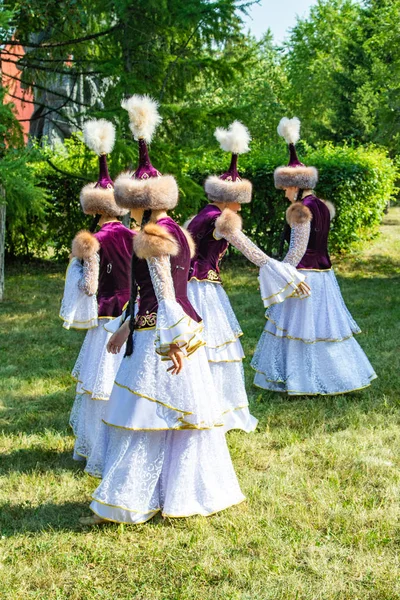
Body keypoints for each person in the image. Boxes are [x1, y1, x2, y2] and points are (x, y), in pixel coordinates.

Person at [80, 95, 245, 525]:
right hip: (172, 329)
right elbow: (153, 291)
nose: (126, 208)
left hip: (162, 336)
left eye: (129, 201)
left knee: (144, 417)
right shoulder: (173, 228)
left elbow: (163, 291)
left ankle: (130, 501)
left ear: (142, 201)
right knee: (178, 418)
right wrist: (122, 326)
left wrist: (170, 342)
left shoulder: (150, 235)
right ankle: (178, 493)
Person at [187, 121, 310, 431]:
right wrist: (285, 275)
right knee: (215, 349)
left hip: (186, 285)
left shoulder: (200, 214)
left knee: (198, 349)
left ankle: (193, 404)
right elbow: (252, 252)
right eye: (239, 202)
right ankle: (215, 408)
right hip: (204, 289)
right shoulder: (223, 220)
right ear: (230, 199)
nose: (240, 208)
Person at [251, 117, 377, 395]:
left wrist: (279, 273)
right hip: (325, 276)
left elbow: (297, 250)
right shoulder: (321, 205)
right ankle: (335, 377)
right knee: (323, 331)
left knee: (301, 333)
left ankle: (303, 381)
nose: (284, 192)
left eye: (285, 187)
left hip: (304, 278)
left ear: (296, 185)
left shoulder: (299, 210)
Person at [59, 119, 135, 465]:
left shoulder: (93, 241)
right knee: (126, 383)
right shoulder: (135, 235)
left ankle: (98, 446)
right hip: (131, 316)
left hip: (105, 318)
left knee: (98, 387)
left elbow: (90, 286)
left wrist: (76, 278)